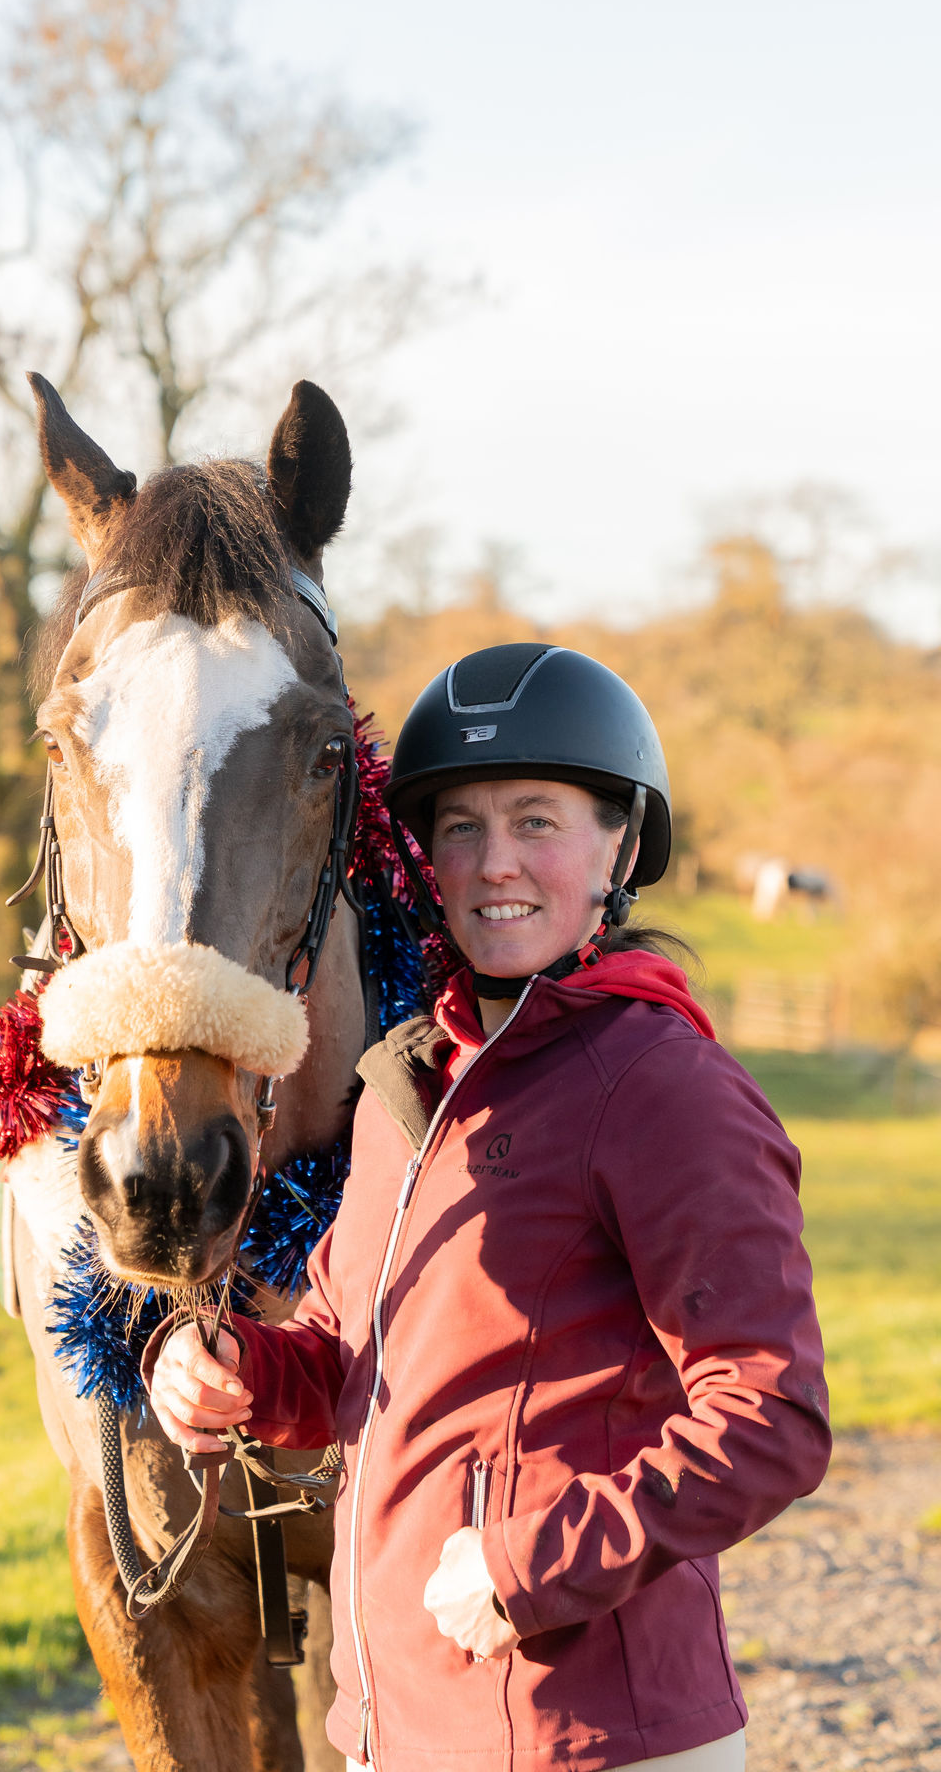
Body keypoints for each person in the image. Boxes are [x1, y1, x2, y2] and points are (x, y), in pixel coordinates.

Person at [149, 643, 830, 1772]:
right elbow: (347, 1362)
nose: (492, 862)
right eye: (458, 826)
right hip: (395, 1726)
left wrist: (529, 1569)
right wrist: (236, 1373)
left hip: (587, 1739)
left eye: (536, 821)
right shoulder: (404, 1085)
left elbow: (772, 1415)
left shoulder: (664, 1087)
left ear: (619, 844)